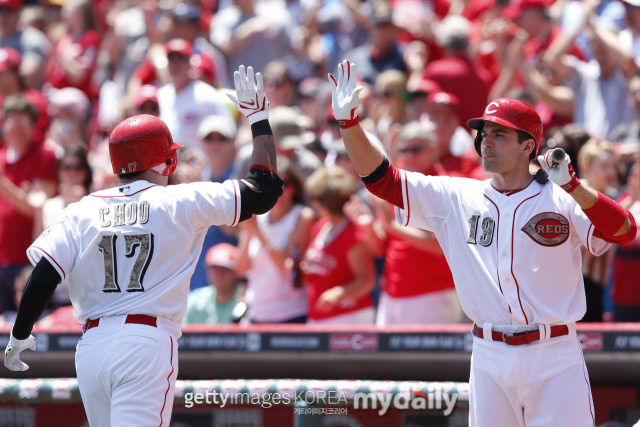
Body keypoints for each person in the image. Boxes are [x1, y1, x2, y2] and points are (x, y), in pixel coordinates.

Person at [330, 59, 637, 425]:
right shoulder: (457, 195)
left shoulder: (561, 198)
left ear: (528, 146)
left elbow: (624, 231)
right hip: (489, 353)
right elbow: (382, 180)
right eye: (484, 134)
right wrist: (349, 124)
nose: (486, 142)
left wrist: (572, 185)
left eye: (499, 135)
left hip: (555, 352)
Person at [3, 65, 284, 427]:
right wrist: (259, 119)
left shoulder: (83, 209)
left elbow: (43, 276)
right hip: (146, 342)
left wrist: (21, 332)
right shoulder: (182, 200)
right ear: (168, 160)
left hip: (91, 347)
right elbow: (264, 190)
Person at [344, 122, 463, 325]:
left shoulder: (448, 186)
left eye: (416, 149)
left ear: (433, 150)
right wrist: (368, 226)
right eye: (404, 150)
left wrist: (393, 226)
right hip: (392, 293)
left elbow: (439, 246)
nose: (409, 156)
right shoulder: (398, 186)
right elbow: (380, 248)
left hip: (432, 294)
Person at [236, 156, 315, 323]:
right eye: (271, 184)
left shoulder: (303, 216)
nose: (278, 190)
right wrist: (250, 231)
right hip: (257, 314)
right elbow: (241, 269)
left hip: (291, 314)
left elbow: (288, 267)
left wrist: (257, 230)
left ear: (294, 187)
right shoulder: (257, 217)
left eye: (285, 183)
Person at [0, 95, 57, 314]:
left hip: (28, 260)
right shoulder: (2, 155)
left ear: (34, 127)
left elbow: (37, 208)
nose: (17, 130)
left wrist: (3, 183)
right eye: (12, 123)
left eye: (23, 124)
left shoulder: (44, 155)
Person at [302, 167, 376, 324]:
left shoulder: (352, 233)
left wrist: (338, 294)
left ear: (325, 202)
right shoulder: (321, 226)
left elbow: (367, 280)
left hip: (349, 316)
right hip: (319, 315)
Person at [157, 38, 231, 150]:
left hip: (200, 165)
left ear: (191, 63)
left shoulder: (207, 95)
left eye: (180, 58)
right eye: (171, 58)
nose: (175, 64)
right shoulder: (161, 95)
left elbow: (228, 132)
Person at [183, 243, 244, 325]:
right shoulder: (195, 301)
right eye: (214, 269)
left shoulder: (244, 301)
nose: (219, 275)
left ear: (235, 272)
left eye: (225, 269)